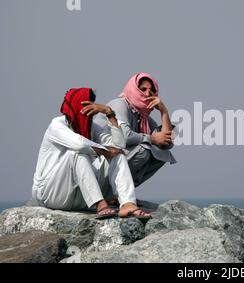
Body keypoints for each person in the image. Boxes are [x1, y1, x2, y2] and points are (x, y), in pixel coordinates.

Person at [31, 88, 151, 219]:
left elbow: (118, 145)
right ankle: (100, 204)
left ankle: (127, 204)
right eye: (85, 106)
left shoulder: (91, 127)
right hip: (51, 194)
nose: (89, 112)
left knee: (118, 154)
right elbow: (80, 144)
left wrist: (109, 114)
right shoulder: (57, 125)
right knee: (77, 153)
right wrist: (106, 151)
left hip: (79, 197)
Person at [95, 73, 176, 204]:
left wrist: (164, 111)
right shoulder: (120, 105)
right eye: (143, 89)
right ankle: (116, 194)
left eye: (151, 91)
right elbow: (124, 136)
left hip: (116, 161)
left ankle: (120, 195)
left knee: (162, 154)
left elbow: (166, 143)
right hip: (100, 163)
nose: (147, 94)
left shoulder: (143, 117)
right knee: (144, 150)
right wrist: (152, 139)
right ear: (133, 89)